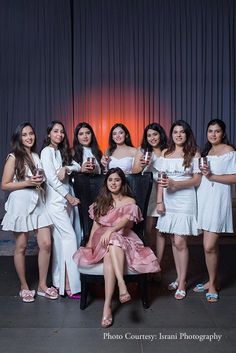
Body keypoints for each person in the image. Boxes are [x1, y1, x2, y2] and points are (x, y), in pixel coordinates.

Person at [73, 167, 160, 328]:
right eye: (110, 180)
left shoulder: (130, 202)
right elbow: (94, 228)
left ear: (122, 182)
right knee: (111, 240)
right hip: (102, 240)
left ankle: (107, 306)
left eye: (117, 180)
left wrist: (112, 230)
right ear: (106, 183)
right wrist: (90, 245)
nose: (113, 183)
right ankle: (121, 285)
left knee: (111, 248)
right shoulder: (100, 202)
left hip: (125, 238)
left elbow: (127, 223)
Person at [1, 122, 58, 302]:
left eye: (31, 134)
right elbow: (4, 184)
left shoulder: (36, 155)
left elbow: (41, 179)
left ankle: (42, 285)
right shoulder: (13, 157)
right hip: (20, 205)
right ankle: (24, 286)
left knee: (46, 243)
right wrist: (27, 183)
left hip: (38, 202)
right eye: (24, 134)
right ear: (19, 137)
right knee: (22, 246)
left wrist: (39, 183)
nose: (29, 137)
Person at [156, 120, 201, 300]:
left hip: (185, 200)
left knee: (181, 242)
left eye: (182, 132)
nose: (179, 135)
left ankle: (182, 283)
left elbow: (197, 180)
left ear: (187, 134)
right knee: (174, 241)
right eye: (175, 132)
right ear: (171, 134)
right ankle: (178, 276)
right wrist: (159, 201)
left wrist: (176, 184)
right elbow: (160, 179)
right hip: (169, 201)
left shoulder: (193, 153)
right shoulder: (166, 154)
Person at [193, 119, 236, 302]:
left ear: (223, 133)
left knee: (209, 245)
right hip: (203, 199)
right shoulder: (206, 152)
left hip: (218, 201)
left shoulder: (229, 151)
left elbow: (234, 177)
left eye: (217, 131)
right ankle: (213, 281)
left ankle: (212, 284)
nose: (213, 134)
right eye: (210, 131)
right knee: (208, 246)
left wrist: (212, 176)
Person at [40, 120, 81, 298]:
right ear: (49, 134)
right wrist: (69, 197)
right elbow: (51, 179)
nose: (59, 135)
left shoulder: (61, 152)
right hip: (55, 203)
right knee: (70, 237)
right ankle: (71, 285)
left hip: (64, 203)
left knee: (60, 243)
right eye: (55, 131)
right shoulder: (46, 152)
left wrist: (66, 168)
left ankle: (59, 283)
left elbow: (78, 166)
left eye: (62, 132)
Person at [132, 123, 168, 272]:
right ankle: (148, 263)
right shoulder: (143, 151)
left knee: (162, 231)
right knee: (147, 230)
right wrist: (141, 165)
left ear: (161, 135)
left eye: (155, 134)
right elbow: (134, 171)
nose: (152, 138)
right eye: (149, 135)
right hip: (149, 192)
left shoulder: (167, 151)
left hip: (166, 191)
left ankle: (158, 265)